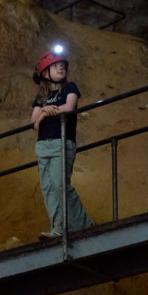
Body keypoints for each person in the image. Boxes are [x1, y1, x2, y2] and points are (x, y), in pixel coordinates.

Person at [31, 47, 94, 241]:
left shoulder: (70, 88)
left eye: (62, 66)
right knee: (48, 188)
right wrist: (43, 111)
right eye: (55, 66)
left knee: (60, 185)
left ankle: (84, 225)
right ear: (45, 73)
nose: (60, 68)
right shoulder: (41, 97)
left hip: (62, 141)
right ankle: (58, 228)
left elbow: (69, 107)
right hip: (43, 145)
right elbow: (33, 122)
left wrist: (51, 111)